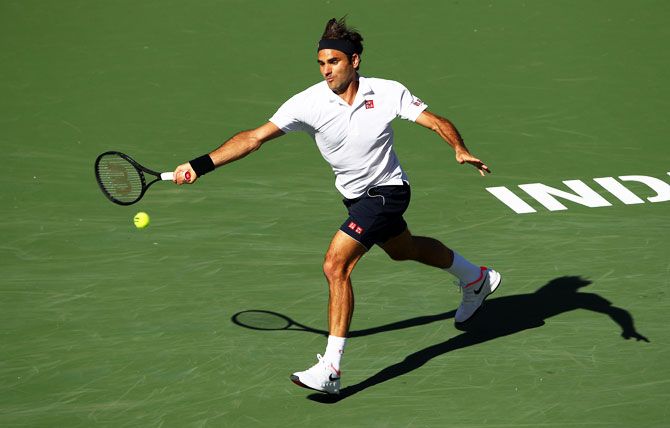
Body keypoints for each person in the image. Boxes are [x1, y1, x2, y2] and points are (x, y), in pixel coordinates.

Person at [172, 17, 502, 395]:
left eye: (334, 62)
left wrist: (458, 148)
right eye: (321, 63)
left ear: (355, 61)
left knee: (335, 265)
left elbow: (434, 121)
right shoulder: (307, 103)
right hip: (356, 198)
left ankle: (331, 367)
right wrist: (201, 165)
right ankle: (476, 278)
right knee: (403, 250)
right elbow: (253, 138)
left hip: (389, 190)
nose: (326, 70)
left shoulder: (387, 91)